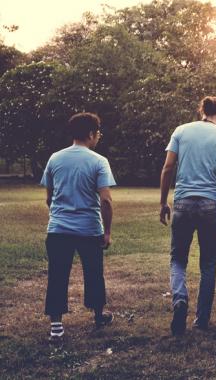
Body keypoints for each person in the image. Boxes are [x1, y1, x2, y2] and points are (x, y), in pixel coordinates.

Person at [160, 96, 216, 336]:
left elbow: (167, 168)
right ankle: (202, 319)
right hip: (209, 205)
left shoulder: (181, 131)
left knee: (178, 259)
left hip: (183, 203)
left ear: (201, 111)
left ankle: (180, 299)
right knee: (207, 263)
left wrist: (164, 201)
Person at [40, 112, 116, 343]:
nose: (99, 136)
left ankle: (56, 326)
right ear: (91, 134)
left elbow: (49, 197)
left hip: (58, 229)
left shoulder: (55, 158)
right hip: (88, 229)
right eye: (98, 132)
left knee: (57, 275)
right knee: (94, 273)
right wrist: (107, 231)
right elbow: (106, 200)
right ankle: (98, 316)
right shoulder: (98, 161)